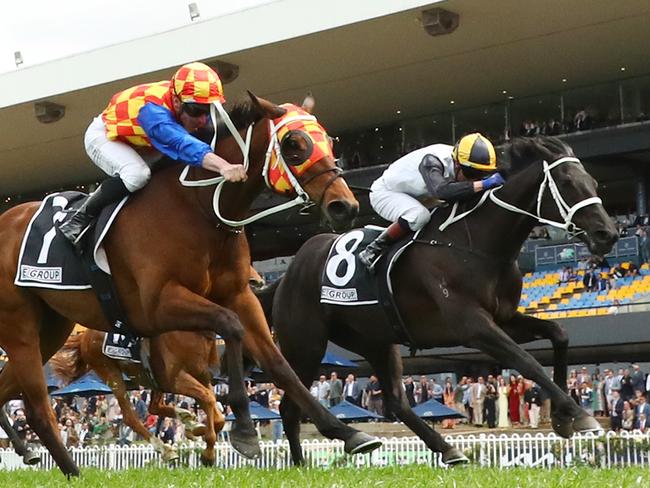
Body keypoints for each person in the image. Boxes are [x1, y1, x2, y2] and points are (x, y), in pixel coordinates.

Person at [57, 62, 247, 248]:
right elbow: (182, 144)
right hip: (106, 137)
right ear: (176, 102)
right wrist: (223, 166)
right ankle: (80, 218)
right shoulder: (153, 113)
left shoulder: (182, 99)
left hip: (141, 141)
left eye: (208, 110)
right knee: (137, 175)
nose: (203, 119)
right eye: (197, 111)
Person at [358, 133, 504, 268]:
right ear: (457, 163)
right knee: (419, 215)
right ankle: (374, 249)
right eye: (472, 173)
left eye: (482, 174)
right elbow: (442, 192)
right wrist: (485, 183)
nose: (475, 179)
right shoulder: (433, 159)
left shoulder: (460, 162)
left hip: (419, 195)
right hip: (386, 192)